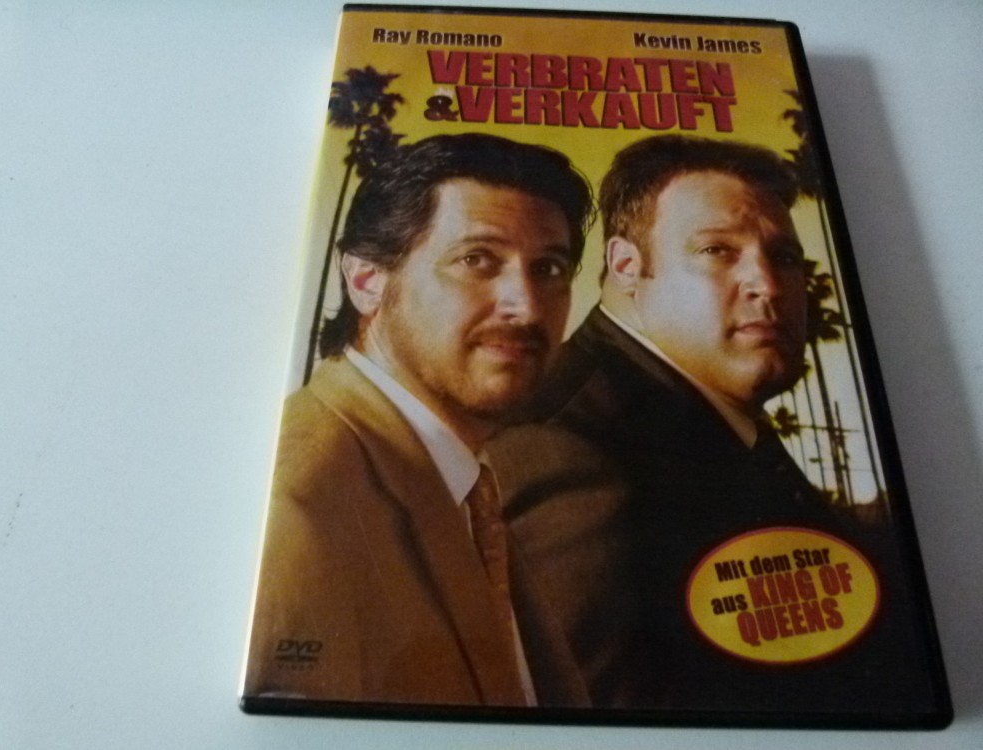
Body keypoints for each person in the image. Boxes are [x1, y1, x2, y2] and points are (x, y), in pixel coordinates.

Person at [489, 135, 938, 713]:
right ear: (626, 266)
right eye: (717, 251)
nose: (768, 285)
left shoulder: (704, 407)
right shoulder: (562, 449)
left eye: (784, 257)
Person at [241, 134, 595, 709]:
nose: (527, 306)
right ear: (366, 281)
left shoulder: (463, 481)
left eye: (549, 268)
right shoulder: (298, 504)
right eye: (476, 260)